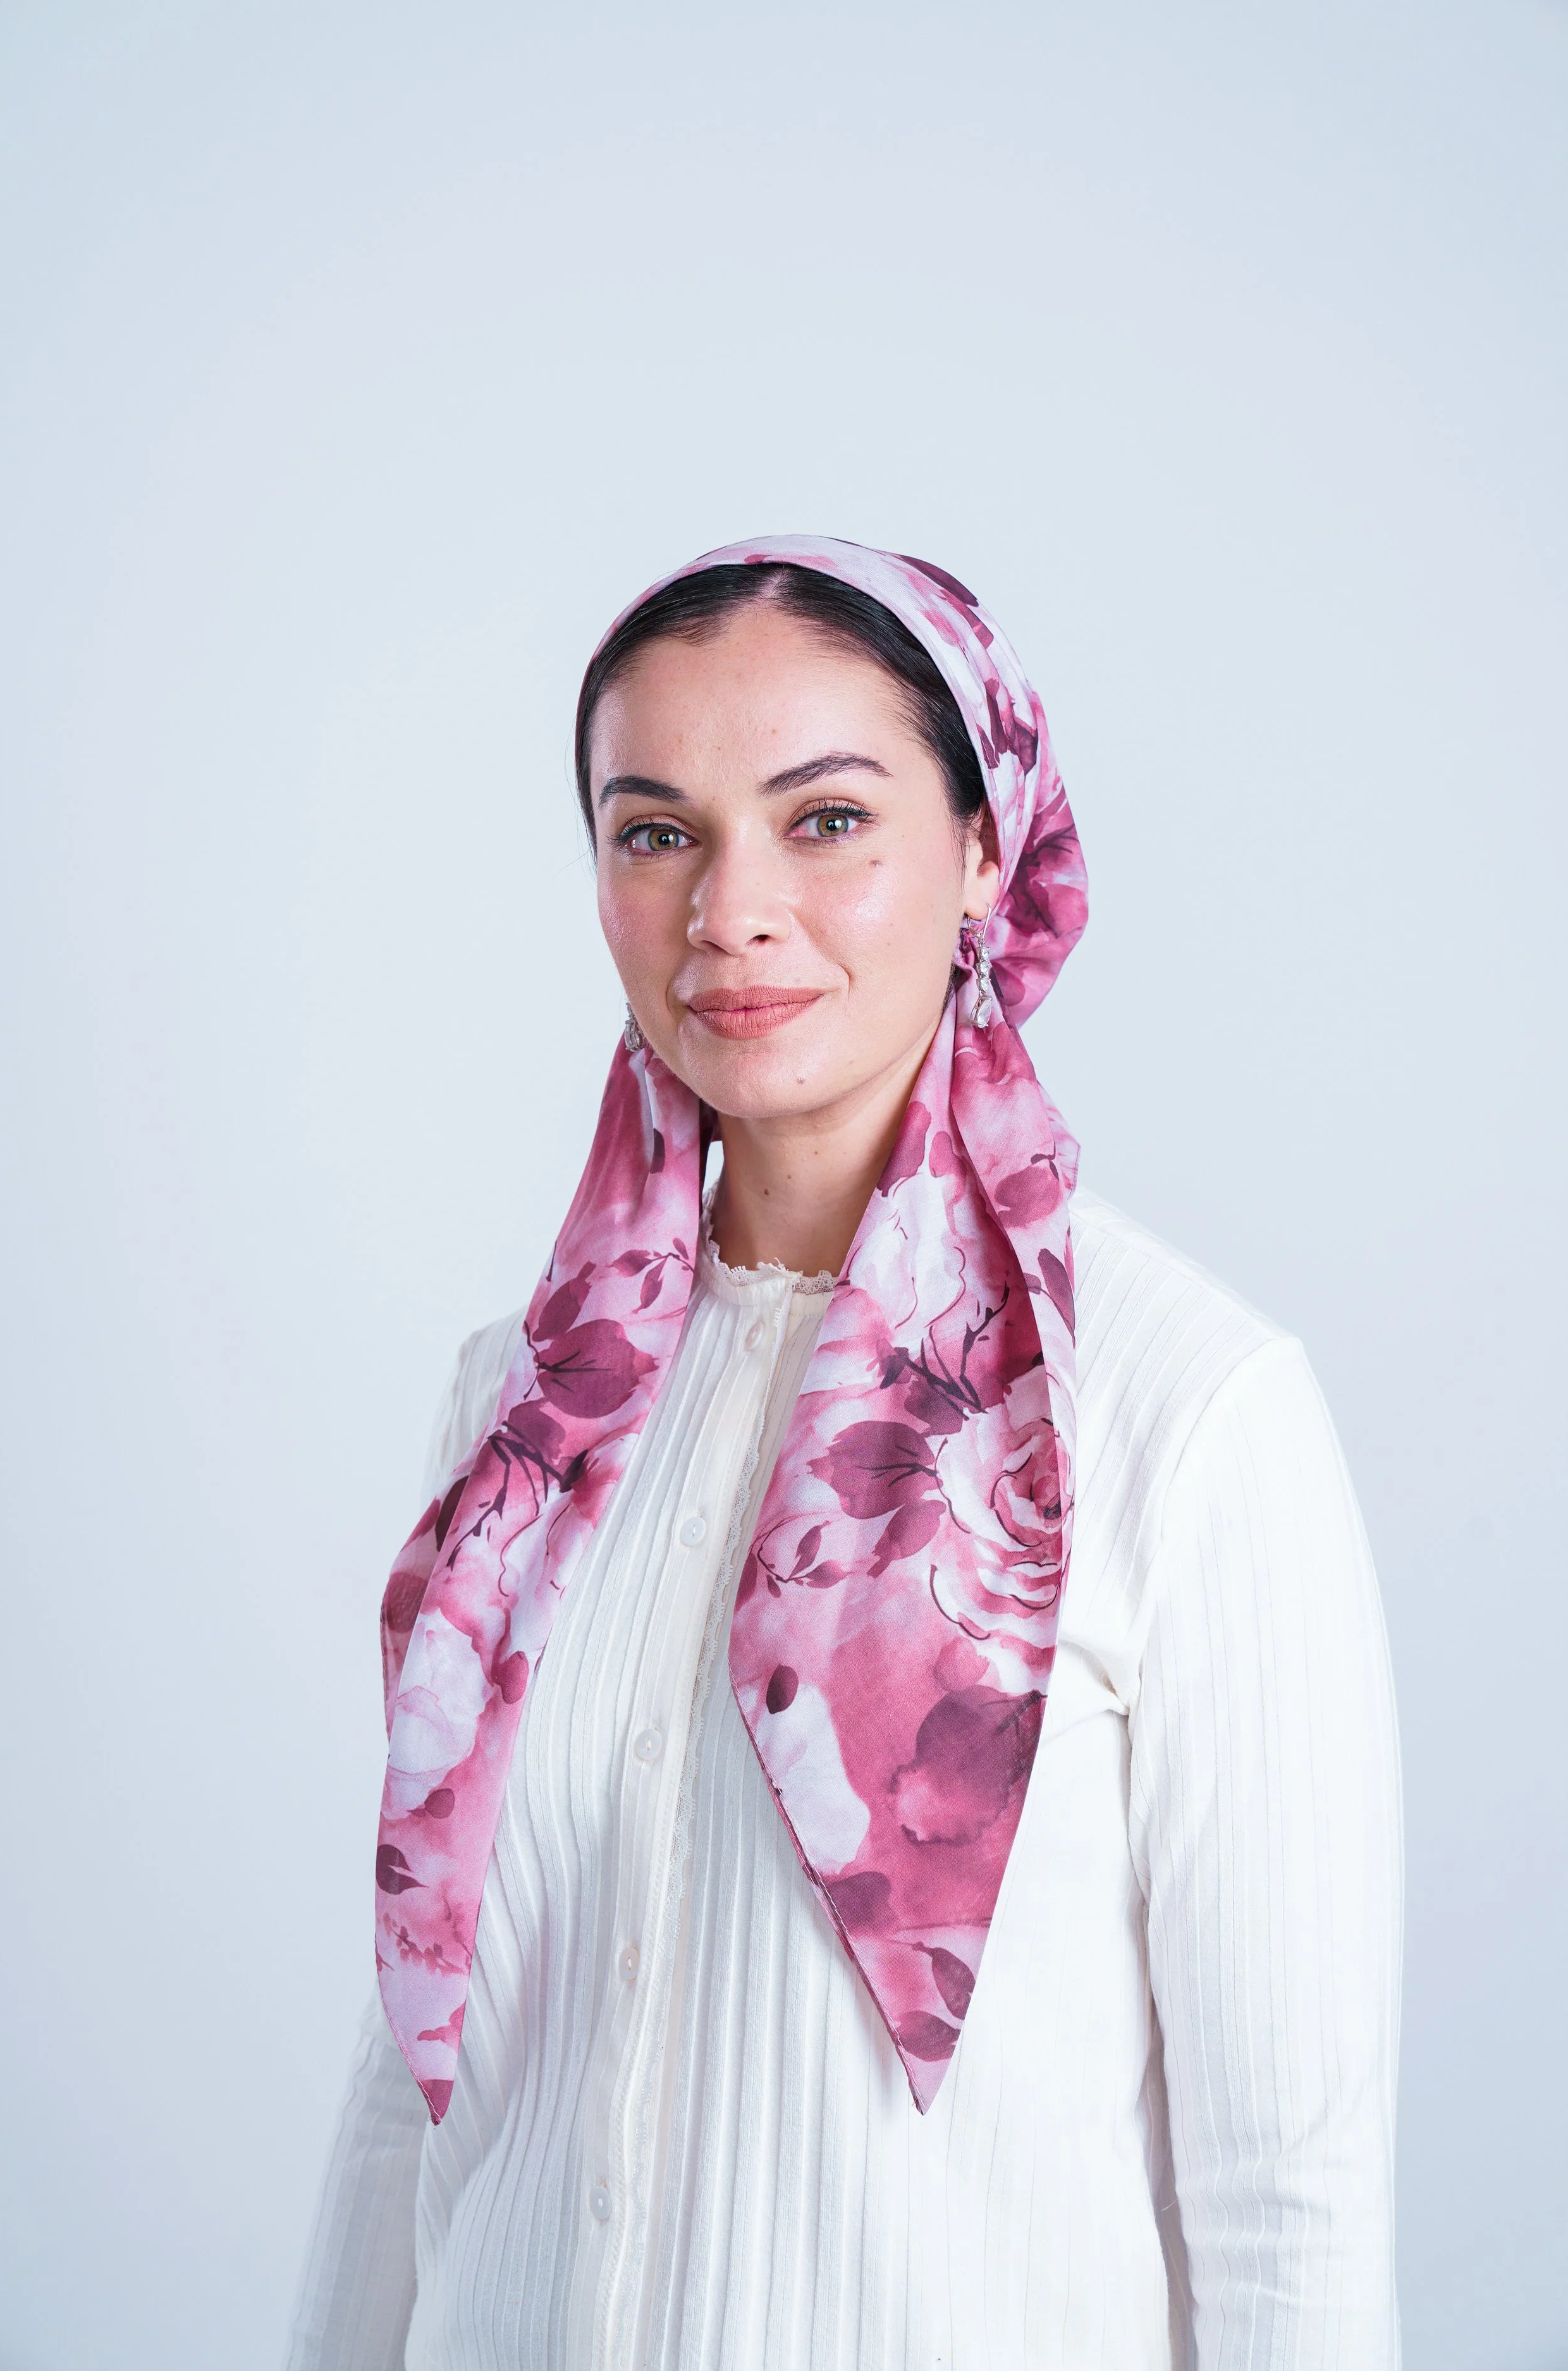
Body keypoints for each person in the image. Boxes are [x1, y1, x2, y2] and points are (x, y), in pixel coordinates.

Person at [285, 538, 1402, 2370]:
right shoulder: (518, 1407)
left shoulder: (1184, 1407)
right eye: (656, 830)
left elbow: (1289, 2181)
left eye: (822, 821)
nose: (731, 907)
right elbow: (413, 2075)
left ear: (983, 851)